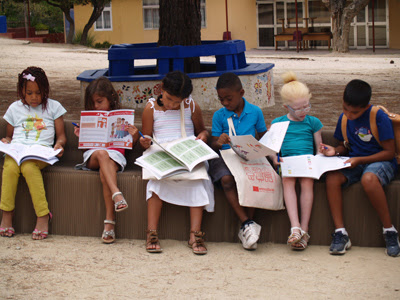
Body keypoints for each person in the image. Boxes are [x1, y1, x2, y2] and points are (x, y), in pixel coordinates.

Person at [321, 79, 400, 257]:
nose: (349, 114)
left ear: (365, 107)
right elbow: (344, 146)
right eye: (345, 109)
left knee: (369, 179)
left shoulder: (377, 116)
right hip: (355, 160)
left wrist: (360, 160)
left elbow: (389, 152)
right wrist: (334, 151)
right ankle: (340, 232)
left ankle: (389, 231)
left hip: (380, 161)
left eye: (354, 112)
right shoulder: (344, 118)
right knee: (332, 178)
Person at [140, 70, 213, 255]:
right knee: (155, 184)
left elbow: (203, 131)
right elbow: (147, 138)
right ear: (161, 88)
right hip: (163, 156)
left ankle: (195, 234)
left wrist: (202, 138)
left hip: (187, 156)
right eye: (169, 99)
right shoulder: (150, 108)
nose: (172, 105)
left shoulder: (191, 106)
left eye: (177, 102)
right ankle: (152, 232)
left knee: (197, 182)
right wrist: (144, 141)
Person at [0, 66, 67, 240]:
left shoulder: (54, 107)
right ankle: (7, 214)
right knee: (10, 167)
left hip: (41, 153)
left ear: (45, 89)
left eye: (38, 92)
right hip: (17, 151)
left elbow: (61, 137)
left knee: (29, 168)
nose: (34, 97)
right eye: (29, 93)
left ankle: (43, 215)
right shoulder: (15, 108)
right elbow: (9, 135)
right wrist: (6, 141)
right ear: (21, 91)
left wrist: (59, 145)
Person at [74, 76, 139, 244]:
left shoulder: (120, 117)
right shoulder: (91, 116)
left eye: (100, 101)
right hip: (94, 155)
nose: (96, 106)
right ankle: (117, 195)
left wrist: (134, 136)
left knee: (106, 169)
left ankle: (109, 224)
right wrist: (82, 136)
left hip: (115, 156)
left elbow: (129, 143)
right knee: (103, 154)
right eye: (92, 103)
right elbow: (85, 148)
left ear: (110, 99)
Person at [209, 72, 267, 250]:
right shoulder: (219, 115)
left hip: (248, 155)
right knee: (226, 180)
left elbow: (263, 136)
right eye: (221, 99)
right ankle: (248, 223)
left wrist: (264, 145)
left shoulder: (255, 112)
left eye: (229, 98)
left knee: (254, 178)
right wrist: (218, 142)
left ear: (241, 93)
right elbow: (213, 142)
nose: (225, 103)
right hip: (225, 156)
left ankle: (246, 228)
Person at [271, 71, 323, 250]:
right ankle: (295, 227)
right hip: (288, 163)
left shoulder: (313, 122)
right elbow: (273, 147)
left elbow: (319, 147)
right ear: (287, 107)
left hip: (307, 162)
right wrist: (274, 159)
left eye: (306, 107)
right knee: (288, 182)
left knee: (307, 184)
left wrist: (321, 154)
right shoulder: (278, 123)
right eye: (298, 109)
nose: (303, 112)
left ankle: (304, 229)